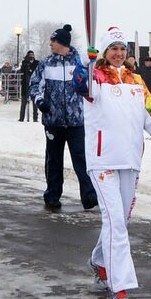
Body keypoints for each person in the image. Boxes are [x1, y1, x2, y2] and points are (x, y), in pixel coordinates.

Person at [82, 25, 151, 299]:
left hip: (130, 161)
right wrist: (89, 63)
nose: (118, 53)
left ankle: (100, 261)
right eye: (113, 49)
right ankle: (121, 289)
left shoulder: (136, 81)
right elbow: (83, 87)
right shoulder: (95, 77)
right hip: (102, 161)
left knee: (120, 222)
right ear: (105, 52)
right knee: (116, 223)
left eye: (122, 49)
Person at [28, 25, 96, 211]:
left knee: (81, 158)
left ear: (64, 44)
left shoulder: (81, 62)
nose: (50, 44)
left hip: (76, 121)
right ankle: (52, 195)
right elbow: (34, 86)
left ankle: (89, 195)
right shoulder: (46, 63)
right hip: (53, 121)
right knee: (54, 159)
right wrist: (40, 102)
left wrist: (94, 59)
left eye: (54, 41)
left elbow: (94, 82)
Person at [18, 50, 38, 122]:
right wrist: (26, 63)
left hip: (34, 85)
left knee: (35, 102)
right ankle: (21, 118)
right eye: (30, 55)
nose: (31, 56)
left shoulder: (36, 63)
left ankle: (35, 118)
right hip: (25, 84)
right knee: (23, 102)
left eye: (32, 55)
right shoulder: (24, 63)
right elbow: (22, 70)